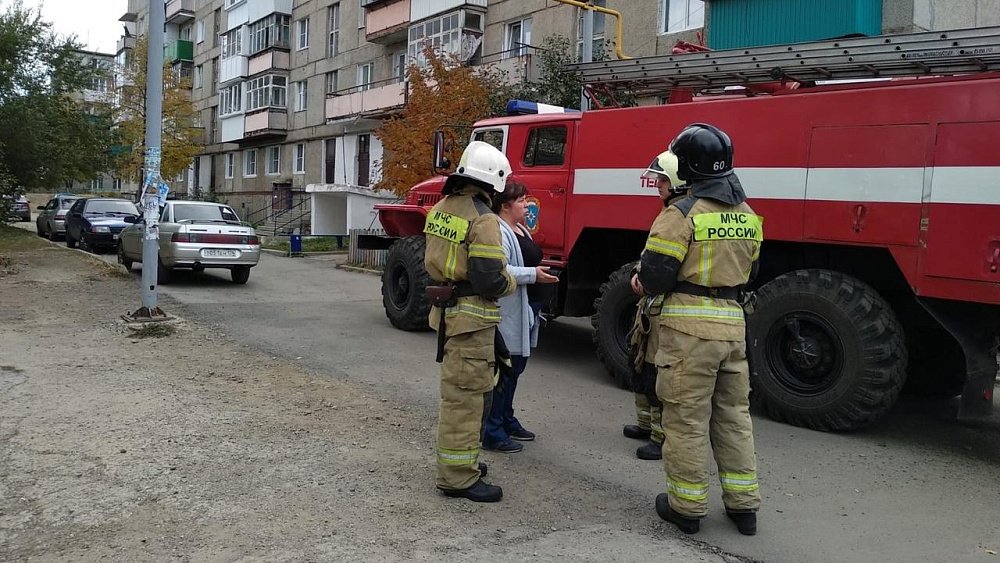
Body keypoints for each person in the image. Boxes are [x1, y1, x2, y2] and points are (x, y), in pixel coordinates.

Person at [637, 123, 763, 536]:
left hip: (689, 330)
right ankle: (743, 507)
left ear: (687, 166)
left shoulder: (681, 213)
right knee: (734, 418)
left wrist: (639, 281)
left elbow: (655, 277)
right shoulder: (747, 215)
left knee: (686, 420)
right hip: (733, 327)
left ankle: (686, 508)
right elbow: (752, 270)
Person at [423, 141, 517, 503]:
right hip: (472, 319)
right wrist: (510, 281)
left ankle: (465, 464)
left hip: (449, 315)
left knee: (463, 394)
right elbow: (490, 279)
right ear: (491, 182)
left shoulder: (441, 209)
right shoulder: (483, 220)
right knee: (465, 399)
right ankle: (458, 477)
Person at [483, 181, 558, 453]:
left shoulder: (520, 229)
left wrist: (539, 269)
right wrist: (533, 275)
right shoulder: (498, 232)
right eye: (522, 201)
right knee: (505, 371)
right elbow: (501, 271)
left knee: (516, 369)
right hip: (510, 311)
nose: (527, 205)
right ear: (505, 205)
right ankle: (493, 430)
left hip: (529, 307)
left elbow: (525, 261)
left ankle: (506, 418)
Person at [626, 150, 689, 461]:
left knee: (656, 371)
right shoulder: (670, 211)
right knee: (640, 364)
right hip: (652, 304)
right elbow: (653, 253)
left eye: (662, 180)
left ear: (677, 182)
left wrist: (646, 276)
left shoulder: (678, 215)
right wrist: (640, 271)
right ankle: (645, 424)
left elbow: (667, 265)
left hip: (666, 306)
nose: (657, 185)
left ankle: (659, 435)